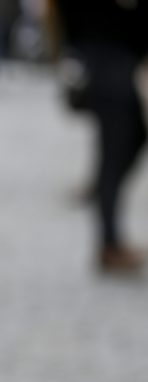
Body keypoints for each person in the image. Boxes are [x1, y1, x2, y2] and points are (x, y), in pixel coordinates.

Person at [54, 0, 148, 275]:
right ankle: (108, 243)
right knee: (112, 157)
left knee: (127, 144)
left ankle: (110, 236)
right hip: (110, 69)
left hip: (106, 65)